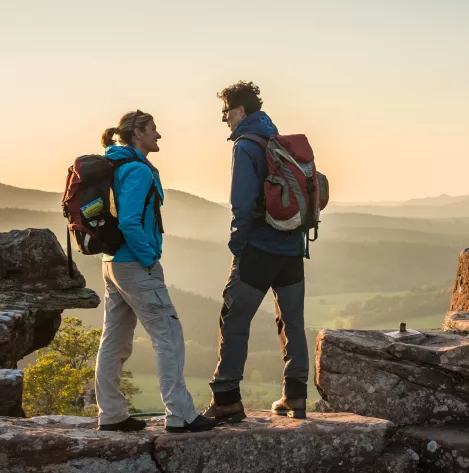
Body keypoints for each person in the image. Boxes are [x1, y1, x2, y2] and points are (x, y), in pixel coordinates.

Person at [94, 110, 217, 433]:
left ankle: (111, 414)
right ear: (137, 133)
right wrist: (149, 258)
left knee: (115, 339)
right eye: (153, 129)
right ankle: (180, 414)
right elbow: (130, 221)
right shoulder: (137, 170)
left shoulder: (113, 164)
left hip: (111, 261)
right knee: (169, 336)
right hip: (135, 263)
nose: (158, 135)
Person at [203, 82, 309, 422]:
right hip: (291, 247)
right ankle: (296, 397)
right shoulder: (277, 142)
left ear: (241, 112)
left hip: (258, 250)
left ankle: (227, 398)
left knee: (233, 320)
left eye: (226, 112)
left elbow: (243, 203)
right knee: (291, 322)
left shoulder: (246, 146)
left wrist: (238, 246)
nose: (224, 120)